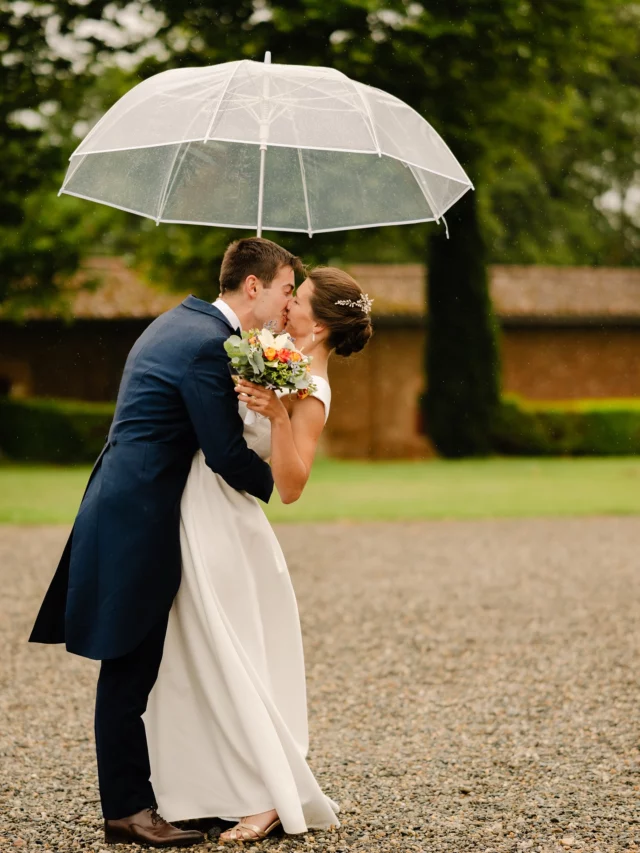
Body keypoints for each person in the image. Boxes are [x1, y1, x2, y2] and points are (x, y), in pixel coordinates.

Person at [29, 237, 300, 848]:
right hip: (140, 517)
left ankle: (172, 796)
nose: (288, 302)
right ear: (252, 286)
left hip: (130, 504)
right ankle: (127, 810)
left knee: (143, 662)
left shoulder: (180, 323)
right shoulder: (206, 343)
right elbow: (227, 452)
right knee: (129, 665)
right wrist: (280, 484)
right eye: (285, 288)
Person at [144, 265, 373, 843]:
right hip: (195, 504)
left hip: (230, 524)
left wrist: (275, 416)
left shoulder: (311, 392)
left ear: (317, 327)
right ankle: (206, 787)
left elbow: (292, 486)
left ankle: (269, 795)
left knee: (233, 652)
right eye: (287, 293)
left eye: (299, 301)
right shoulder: (268, 353)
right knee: (197, 651)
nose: (287, 305)